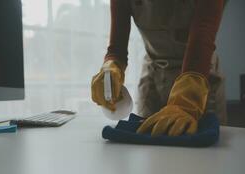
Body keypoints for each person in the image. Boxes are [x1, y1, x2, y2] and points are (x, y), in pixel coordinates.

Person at [91, 0, 227, 136]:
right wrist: (111, 66)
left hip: (199, 75)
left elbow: (202, 36)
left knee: (202, 150)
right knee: (147, 143)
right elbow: (117, 49)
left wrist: (186, 102)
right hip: (153, 74)